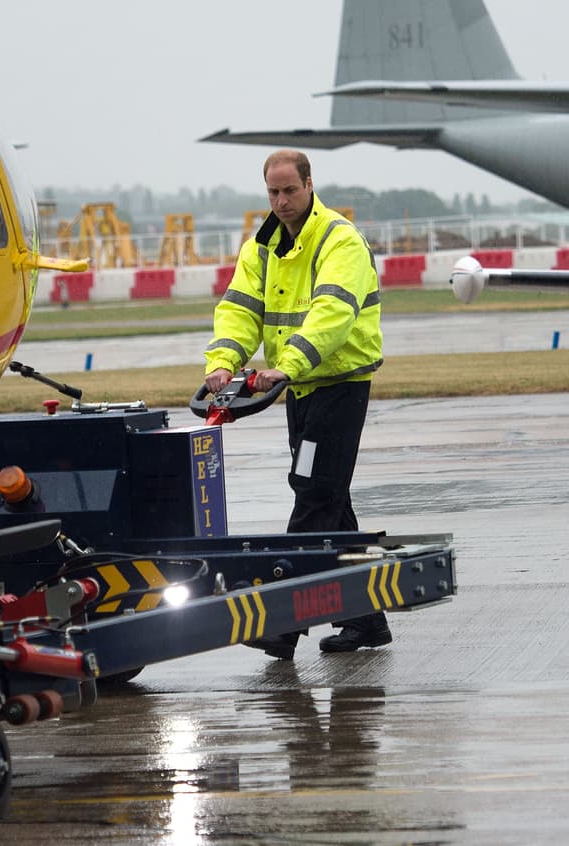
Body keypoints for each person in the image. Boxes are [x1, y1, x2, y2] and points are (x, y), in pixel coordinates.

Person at [204, 149, 387, 660]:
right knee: (330, 502)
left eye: (289, 190)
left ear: (309, 185)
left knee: (313, 495)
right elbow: (240, 309)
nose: (281, 201)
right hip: (298, 388)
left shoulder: (339, 240)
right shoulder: (261, 248)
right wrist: (223, 360)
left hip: (337, 385)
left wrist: (287, 365)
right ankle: (365, 620)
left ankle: (282, 623)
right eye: (273, 192)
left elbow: (332, 313)